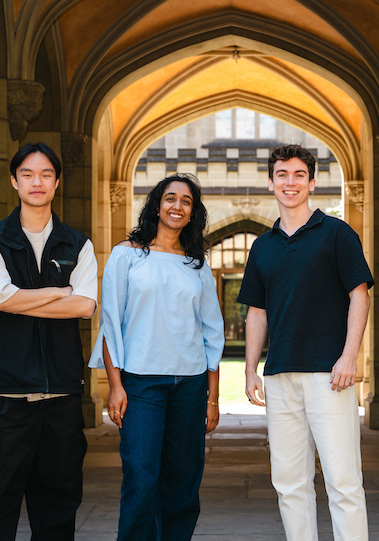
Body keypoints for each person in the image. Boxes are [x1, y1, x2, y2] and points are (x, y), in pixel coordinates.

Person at [238, 144, 373, 541]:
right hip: (280, 376)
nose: (290, 182)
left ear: (312, 182)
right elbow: (256, 313)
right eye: (282, 175)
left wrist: (349, 356)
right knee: (289, 482)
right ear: (270, 183)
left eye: (299, 175)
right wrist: (249, 370)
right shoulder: (263, 246)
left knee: (343, 481)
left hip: (329, 375)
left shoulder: (336, 233)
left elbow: (360, 295)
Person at [89, 174, 224, 541]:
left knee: (183, 480)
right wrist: (115, 386)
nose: (177, 206)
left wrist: (212, 398)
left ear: (193, 212)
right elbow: (111, 324)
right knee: (141, 476)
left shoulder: (197, 264)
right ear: (157, 205)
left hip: (189, 385)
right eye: (170, 198)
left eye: (186, 201)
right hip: (141, 384)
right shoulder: (127, 254)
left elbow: (212, 331)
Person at [0, 143, 98, 540]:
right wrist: (59, 292)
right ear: (14, 182)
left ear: (57, 183)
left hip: (61, 398)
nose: (37, 181)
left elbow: (85, 306)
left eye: (46, 174)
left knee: (58, 508)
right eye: (27, 174)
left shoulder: (78, 244)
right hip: (9, 397)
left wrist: (20, 300)